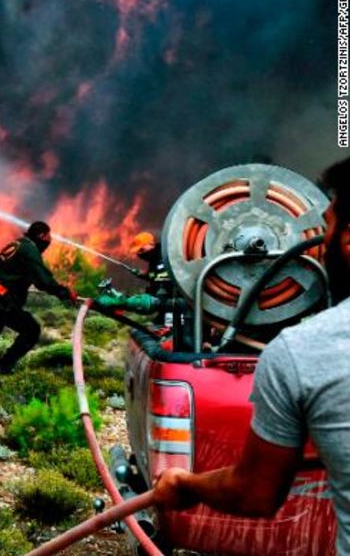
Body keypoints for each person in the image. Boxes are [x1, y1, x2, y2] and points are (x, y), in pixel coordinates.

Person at [155, 157, 350, 553]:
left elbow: (255, 492)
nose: (316, 241)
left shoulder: (303, 352)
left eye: (325, 226)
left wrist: (184, 483)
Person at [0, 221, 77, 385]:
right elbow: (43, 281)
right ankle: (2, 366)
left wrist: (12, 281)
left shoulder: (16, 245)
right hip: (2, 303)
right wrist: (65, 292)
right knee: (31, 330)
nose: (49, 241)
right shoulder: (30, 250)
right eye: (48, 237)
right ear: (42, 235)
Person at [128, 231, 173, 326]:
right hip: (164, 306)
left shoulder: (166, 255)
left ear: (150, 244)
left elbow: (166, 278)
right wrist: (143, 275)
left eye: (141, 249)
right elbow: (155, 277)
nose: (139, 254)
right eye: (138, 251)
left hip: (175, 304)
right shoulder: (153, 260)